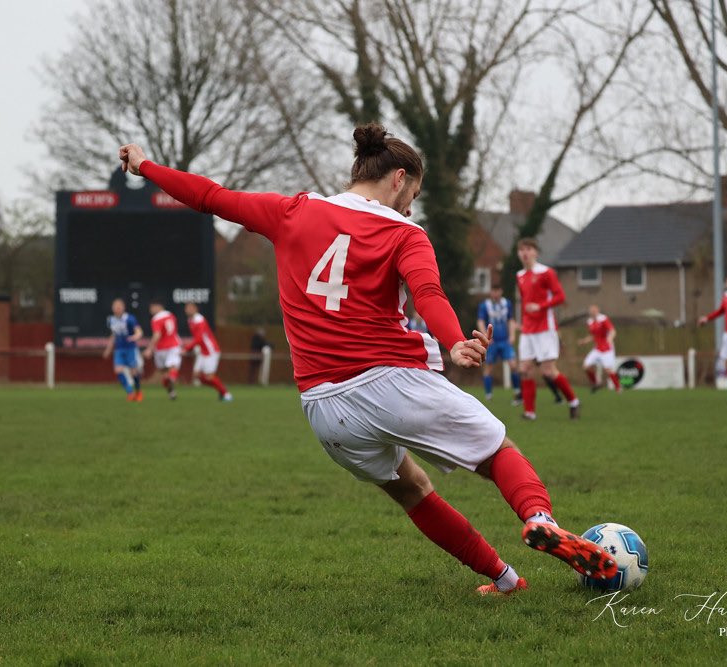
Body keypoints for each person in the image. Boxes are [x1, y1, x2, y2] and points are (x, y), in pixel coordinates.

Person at [118, 124, 616, 595]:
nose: (411, 208)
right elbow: (429, 294)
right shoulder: (404, 234)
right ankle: (540, 520)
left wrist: (146, 167)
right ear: (399, 179)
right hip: (389, 383)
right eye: (413, 196)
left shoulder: (292, 210)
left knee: (412, 490)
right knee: (495, 451)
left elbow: (211, 196)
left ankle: (505, 579)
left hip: (322, 408)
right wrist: (453, 341)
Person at [515, 238, 580, 420]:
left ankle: (574, 401)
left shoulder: (546, 273)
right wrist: (522, 321)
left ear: (536, 252)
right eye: (521, 250)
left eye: (528, 249)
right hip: (528, 329)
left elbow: (560, 296)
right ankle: (529, 413)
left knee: (548, 371)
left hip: (545, 328)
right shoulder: (519, 276)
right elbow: (524, 302)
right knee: (525, 369)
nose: (525, 253)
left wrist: (541, 306)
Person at [477, 285, 521, 404]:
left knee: (513, 365)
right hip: (492, 342)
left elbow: (510, 320)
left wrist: (512, 335)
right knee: (489, 368)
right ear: (491, 292)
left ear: (501, 291)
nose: (495, 293)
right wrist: (485, 336)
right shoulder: (484, 305)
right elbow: (480, 321)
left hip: (505, 341)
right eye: (493, 291)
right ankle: (488, 396)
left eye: (497, 291)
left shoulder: (507, 303)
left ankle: (517, 393)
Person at [183, 302, 232, 402]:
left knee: (209, 377)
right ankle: (220, 389)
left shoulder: (199, 320)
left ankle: (226, 394)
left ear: (196, 309)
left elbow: (200, 338)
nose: (188, 309)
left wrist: (186, 348)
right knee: (197, 375)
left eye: (190, 307)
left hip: (210, 350)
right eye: (186, 307)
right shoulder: (190, 320)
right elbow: (197, 338)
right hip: (202, 351)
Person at [102, 298, 144, 402]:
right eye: (115, 307)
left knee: (134, 372)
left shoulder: (130, 318)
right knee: (118, 371)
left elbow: (139, 331)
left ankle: (138, 391)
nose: (117, 309)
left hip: (130, 349)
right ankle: (130, 393)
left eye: (119, 307)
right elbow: (113, 335)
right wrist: (108, 349)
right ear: (112, 308)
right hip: (119, 350)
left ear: (123, 308)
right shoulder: (110, 320)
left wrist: (135, 337)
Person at [143, 300, 182, 399]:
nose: (150, 309)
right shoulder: (171, 315)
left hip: (161, 348)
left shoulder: (156, 319)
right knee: (171, 368)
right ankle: (171, 389)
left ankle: (171, 385)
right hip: (174, 345)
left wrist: (149, 349)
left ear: (158, 306)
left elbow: (157, 334)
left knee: (165, 371)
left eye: (152, 307)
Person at [578, 304, 620, 393]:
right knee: (586, 366)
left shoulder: (603, 319)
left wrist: (610, 338)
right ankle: (596, 384)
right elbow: (593, 335)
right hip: (597, 348)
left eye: (594, 310)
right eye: (591, 310)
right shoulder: (589, 322)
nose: (592, 312)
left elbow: (612, 330)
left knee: (608, 369)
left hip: (607, 348)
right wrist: (584, 341)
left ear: (598, 310)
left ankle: (618, 388)